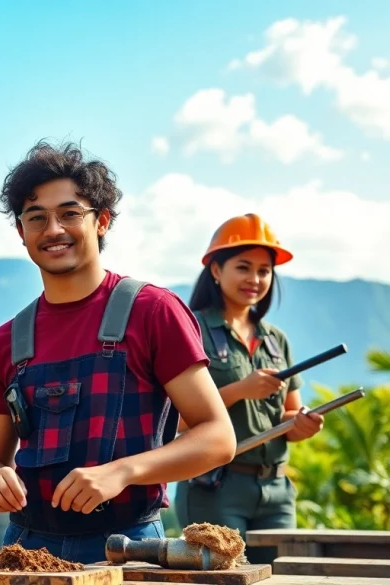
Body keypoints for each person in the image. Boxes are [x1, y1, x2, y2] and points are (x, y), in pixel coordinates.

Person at [0, 141, 237, 564]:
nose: (53, 229)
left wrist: (122, 471)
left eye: (70, 213)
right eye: (36, 218)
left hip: (128, 546)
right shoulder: (4, 342)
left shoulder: (153, 311)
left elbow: (218, 438)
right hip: (24, 548)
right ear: (21, 233)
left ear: (102, 221)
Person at [175, 213, 323, 564]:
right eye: (243, 267)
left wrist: (303, 424)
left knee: (282, 577)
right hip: (215, 486)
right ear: (215, 270)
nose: (254, 279)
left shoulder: (275, 339)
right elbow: (172, 420)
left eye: (264, 270)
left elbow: (289, 416)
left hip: (278, 491)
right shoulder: (190, 330)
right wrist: (241, 389)